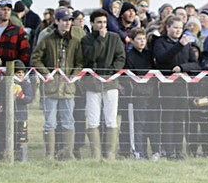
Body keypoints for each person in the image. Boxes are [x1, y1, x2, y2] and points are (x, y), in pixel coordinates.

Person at [31, 7, 85, 160]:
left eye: (69, 20)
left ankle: (68, 152)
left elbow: (80, 62)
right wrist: (46, 73)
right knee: (50, 123)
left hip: (68, 88)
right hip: (50, 88)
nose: (67, 23)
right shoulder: (47, 39)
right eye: (64, 20)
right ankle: (49, 154)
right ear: (57, 21)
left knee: (68, 121)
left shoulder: (75, 41)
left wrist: (74, 76)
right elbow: (35, 58)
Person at [81, 9, 126, 160]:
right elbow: (91, 56)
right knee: (93, 118)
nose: (102, 25)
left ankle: (110, 154)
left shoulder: (115, 38)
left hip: (111, 83)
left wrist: (111, 72)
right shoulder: (86, 39)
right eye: (99, 22)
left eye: (104, 22)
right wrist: (100, 39)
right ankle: (96, 154)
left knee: (111, 118)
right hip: (92, 85)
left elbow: (120, 57)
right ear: (92, 23)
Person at [153, 16, 199, 160]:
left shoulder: (186, 43)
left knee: (180, 119)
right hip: (167, 86)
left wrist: (182, 67)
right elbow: (162, 58)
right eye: (175, 27)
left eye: (180, 27)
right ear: (168, 27)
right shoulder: (160, 42)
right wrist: (179, 45)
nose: (178, 30)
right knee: (168, 118)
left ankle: (179, 150)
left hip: (182, 85)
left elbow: (195, 63)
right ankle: (169, 150)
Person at [124, 28, 158, 159]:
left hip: (152, 93)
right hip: (137, 94)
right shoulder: (129, 56)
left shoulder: (149, 55)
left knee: (152, 123)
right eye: (138, 39)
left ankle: (155, 150)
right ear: (132, 41)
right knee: (139, 124)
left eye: (143, 38)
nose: (142, 41)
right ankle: (139, 151)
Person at [11, 60, 34, 162]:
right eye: (17, 73)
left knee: (22, 137)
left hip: (22, 117)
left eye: (21, 73)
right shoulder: (8, 83)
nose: (20, 75)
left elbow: (29, 99)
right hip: (11, 116)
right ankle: (11, 154)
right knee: (12, 136)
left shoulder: (26, 84)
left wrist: (21, 95)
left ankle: (23, 157)